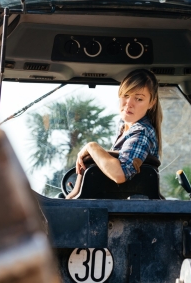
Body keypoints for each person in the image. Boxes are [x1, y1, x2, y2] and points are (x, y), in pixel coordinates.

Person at [66, 69, 162, 199]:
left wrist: (92, 147)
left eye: (139, 99)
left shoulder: (141, 133)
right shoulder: (124, 127)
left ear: (151, 102)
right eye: (126, 95)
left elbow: (120, 174)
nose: (129, 104)